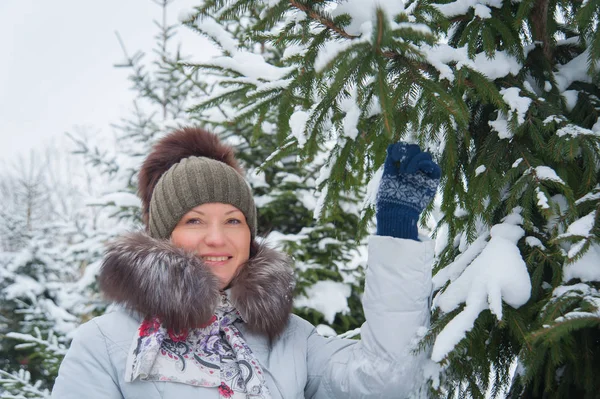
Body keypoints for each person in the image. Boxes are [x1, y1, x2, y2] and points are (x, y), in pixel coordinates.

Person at [51, 127, 440, 399]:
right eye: (194, 221)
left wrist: (397, 233)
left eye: (233, 221)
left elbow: (388, 380)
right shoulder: (104, 343)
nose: (217, 238)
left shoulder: (290, 339)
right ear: (163, 235)